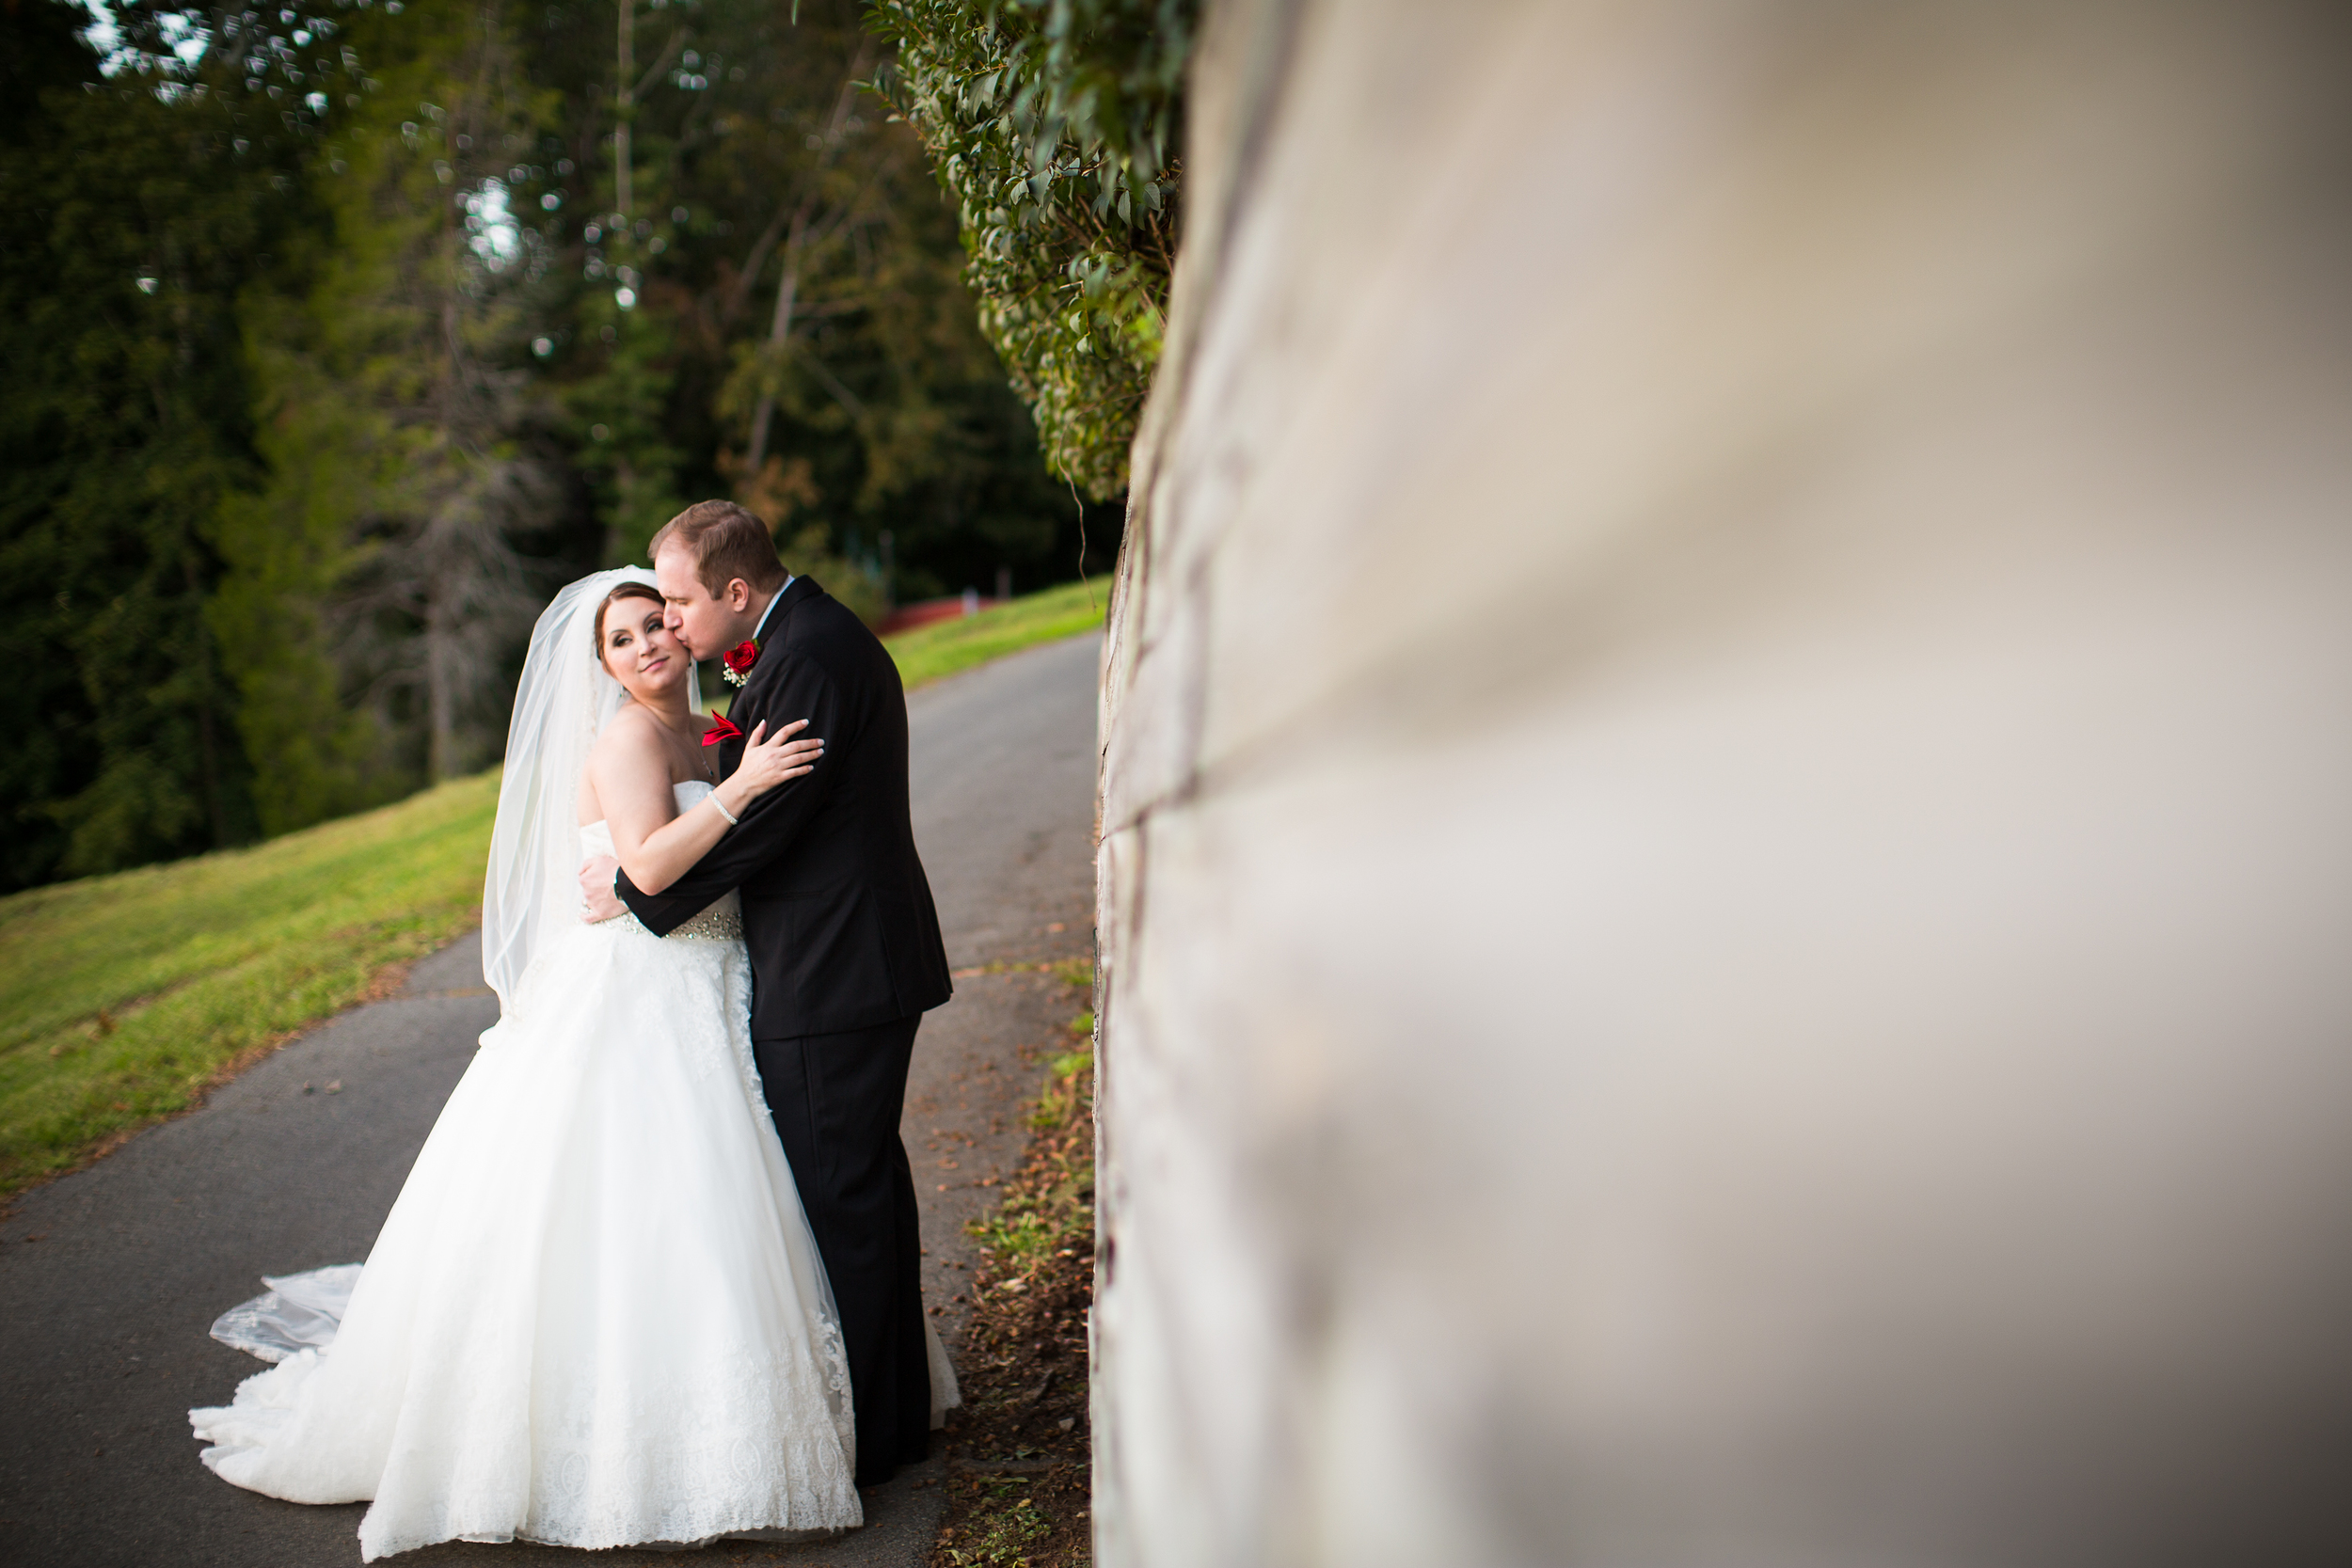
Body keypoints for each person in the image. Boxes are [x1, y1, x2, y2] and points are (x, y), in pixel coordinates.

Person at [189, 569, 866, 1560]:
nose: (644, 646)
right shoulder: (631, 737)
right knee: (654, 1200)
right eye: (621, 639)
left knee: (720, 1198)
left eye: (654, 626)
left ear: (685, 631)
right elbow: (646, 867)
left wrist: (735, 782)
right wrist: (744, 787)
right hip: (645, 987)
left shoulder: (710, 723)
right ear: (600, 664)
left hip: (717, 976)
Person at [580, 500, 955, 1486]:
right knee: (855, 1186)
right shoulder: (792, 641)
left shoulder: (809, 657)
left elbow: (769, 821)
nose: (669, 624)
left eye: (676, 603)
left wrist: (632, 888)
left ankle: (882, 1438)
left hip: (836, 970)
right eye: (648, 615)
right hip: (835, 960)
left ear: (735, 593)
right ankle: (892, 1413)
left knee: (846, 1192)